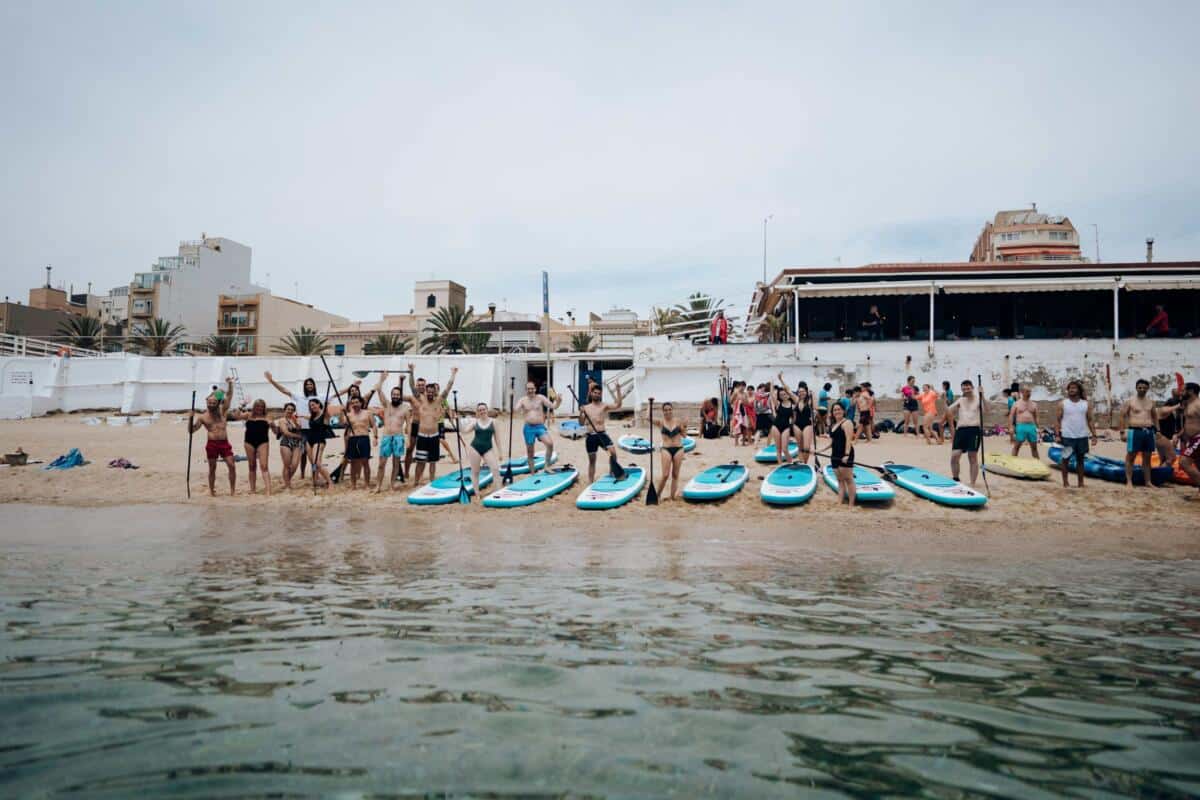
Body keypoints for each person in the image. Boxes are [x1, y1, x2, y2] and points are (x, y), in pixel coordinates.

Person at [405, 365, 458, 486]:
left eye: (431, 392)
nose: (429, 393)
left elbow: (448, 388)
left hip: (434, 436)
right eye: (428, 391)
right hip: (422, 436)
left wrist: (453, 374)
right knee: (420, 461)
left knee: (433, 462)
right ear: (426, 392)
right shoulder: (421, 400)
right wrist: (411, 372)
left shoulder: (438, 401)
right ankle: (416, 482)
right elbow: (412, 387)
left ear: (434, 392)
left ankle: (432, 482)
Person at [264, 371, 319, 477]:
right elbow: (284, 390)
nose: (309, 386)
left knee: (313, 456)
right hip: (302, 430)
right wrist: (272, 381)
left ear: (314, 385)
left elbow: (335, 395)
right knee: (302, 456)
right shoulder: (299, 397)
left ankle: (315, 475)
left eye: (310, 384)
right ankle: (302, 474)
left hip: (314, 429)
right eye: (307, 384)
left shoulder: (319, 396)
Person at [190, 377, 236, 496]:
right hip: (212, 444)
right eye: (209, 402)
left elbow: (229, 395)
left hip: (224, 443)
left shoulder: (223, 411)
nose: (211, 404)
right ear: (206, 402)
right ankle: (211, 491)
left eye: (213, 403)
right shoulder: (203, 417)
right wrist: (190, 419)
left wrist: (230, 384)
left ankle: (232, 491)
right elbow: (191, 431)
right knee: (212, 468)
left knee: (231, 465)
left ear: (217, 403)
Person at [1056, 379, 1098, 489]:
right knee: (1065, 459)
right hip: (1067, 436)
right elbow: (1057, 420)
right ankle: (1065, 483)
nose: (1071, 390)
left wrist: (1094, 435)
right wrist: (1057, 435)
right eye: (1070, 388)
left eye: (1074, 388)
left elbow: (1090, 420)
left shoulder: (1085, 404)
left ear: (1079, 390)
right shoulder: (1063, 403)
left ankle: (1081, 483)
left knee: (1081, 460)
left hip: (1082, 436)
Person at [580, 380, 624, 483]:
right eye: (595, 393)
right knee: (592, 460)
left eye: (599, 393)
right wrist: (581, 413)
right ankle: (590, 482)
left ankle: (612, 472)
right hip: (591, 436)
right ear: (591, 393)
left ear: (600, 395)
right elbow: (581, 423)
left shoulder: (604, 406)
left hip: (602, 434)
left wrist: (618, 390)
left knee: (613, 453)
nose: (597, 394)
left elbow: (618, 405)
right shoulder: (586, 408)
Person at [515, 380, 562, 472]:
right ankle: (532, 472)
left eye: (532, 388)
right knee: (530, 451)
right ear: (526, 390)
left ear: (535, 389)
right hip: (528, 428)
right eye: (528, 389)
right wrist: (514, 403)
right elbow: (516, 409)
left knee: (549, 443)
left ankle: (546, 466)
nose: (530, 390)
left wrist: (559, 401)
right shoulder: (522, 400)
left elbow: (553, 406)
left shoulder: (540, 398)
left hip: (540, 427)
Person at [460, 402, 503, 498]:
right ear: (478, 412)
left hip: (488, 448)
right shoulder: (475, 422)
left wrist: (500, 452)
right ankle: (477, 493)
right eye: (480, 410)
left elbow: (497, 438)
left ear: (487, 410)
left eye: (484, 409)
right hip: (475, 448)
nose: (482, 411)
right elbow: (465, 431)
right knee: (475, 472)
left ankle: (498, 490)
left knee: (495, 469)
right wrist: (458, 422)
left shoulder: (494, 422)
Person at [374, 378, 410, 492]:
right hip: (387, 437)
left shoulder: (405, 408)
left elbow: (408, 425)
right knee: (381, 464)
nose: (395, 396)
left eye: (397, 394)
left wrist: (408, 439)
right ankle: (378, 486)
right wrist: (382, 378)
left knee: (396, 463)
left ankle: (392, 485)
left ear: (400, 396)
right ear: (391, 395)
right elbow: (378, 389)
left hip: (399, 437)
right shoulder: (386, 405)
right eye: (393, 394)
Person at [1120, 378, 1158, 489]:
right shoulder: (1130, 401)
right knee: (1131, 456)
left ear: (1148, 389)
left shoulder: (1151, 402)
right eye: (1140, 387)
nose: (1142, 389)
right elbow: (1122, 416)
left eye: (1144, 388)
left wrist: (1158, 431)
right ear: (1136, 388)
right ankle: (1129, 482)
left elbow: (1155, 417)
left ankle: (1148, 482)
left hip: (1148, 431)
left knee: (1147, 457)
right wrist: (1122, 431)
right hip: (1134, 431)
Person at [231, 398, 272, 496]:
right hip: (249, 442)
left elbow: (274, 429)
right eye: (257, 406)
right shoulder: (248, 415)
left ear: (264, 408)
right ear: (254, 407)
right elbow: (236, 416)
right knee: (252, 466)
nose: (259, 408)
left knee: (264, 466)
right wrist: (242, 405)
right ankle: (252, 489)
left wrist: (273, 425)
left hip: (263, 442)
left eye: (261, 407)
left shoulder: (267, 416)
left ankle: (268, 490)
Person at [947, 379, 982, 486]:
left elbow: (987, 409)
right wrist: (944, 401)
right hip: (961, 430)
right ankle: (956, 479)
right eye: (964, 387)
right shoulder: (960, 400)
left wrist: (983, 395)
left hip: (974, 430)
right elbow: (948, 411)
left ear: (972, 388)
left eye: (968, 387)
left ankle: (972, 483)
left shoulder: (978, 399)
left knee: (972, 456)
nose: (966, 389)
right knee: (954, 456)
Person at [341, 394, 378, 490]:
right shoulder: (349, 415)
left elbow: (374, 425)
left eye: (357, 402)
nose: (355, 404)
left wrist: (375, 437)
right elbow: (343, 424)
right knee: (353, 463)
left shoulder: (367, 413)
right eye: (353, 403)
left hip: (364, 438)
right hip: (353, 439)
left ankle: (367, 484)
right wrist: (342, 412)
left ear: (361, 403)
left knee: (365, 462)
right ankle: (353, 485)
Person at [655, 401, 687, 501]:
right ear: (663, 411)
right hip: (666, 449)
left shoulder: (678, 421)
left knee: (675, 475)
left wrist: (684, 426)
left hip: (678, 449)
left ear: (672, 410)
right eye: (665, 410)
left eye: (669, 410)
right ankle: (657, 495)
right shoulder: (660, 422)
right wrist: (649, 404)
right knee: (665, 475)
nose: (668, 412)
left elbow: (684, 435)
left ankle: (672, 497)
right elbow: (648, 417)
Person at [828, 401, 856, 506]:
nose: (837, 411)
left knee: (848, 479)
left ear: (843, 411)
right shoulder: (833, 425)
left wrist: (847, 454)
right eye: (835, 410)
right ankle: (840, 502)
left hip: (845, 454)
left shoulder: (847, 423)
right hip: (834, 454)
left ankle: (851, 504)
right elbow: (832, 443)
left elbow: (849, 440)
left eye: (839, 409)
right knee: (839, 480)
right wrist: (819, 451)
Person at [1175, 382, 1200, 496]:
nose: (1181, 392)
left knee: (1184, 462)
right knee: (1198, 465)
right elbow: (1188, 425)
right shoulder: (1188, 405)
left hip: (1198, 438)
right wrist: (1178, 436)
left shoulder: (1198, 404)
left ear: (1191, 391)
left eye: (1184, 390)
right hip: (1192, 439)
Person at [304, 398, 335, 490]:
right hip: (309, 441)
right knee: (313, 463)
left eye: (313, 404)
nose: (312, 407)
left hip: (319, 441)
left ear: (318, 404)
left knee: (317, 463)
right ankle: (316, 479)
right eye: (310, 406)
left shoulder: (324, 415)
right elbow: (306, 418)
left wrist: (326, 404)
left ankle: (330, 482)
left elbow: (327, 412)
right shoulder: (312, 416)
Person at [403, 368, 428, 479]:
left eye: (422, 385)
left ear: (425, 386)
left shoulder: (429, 397)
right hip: (415, 425)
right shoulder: (413, 397)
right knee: (409, 450)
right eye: (419, 385)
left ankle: (419, 474)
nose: (421, 386)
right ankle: (406, 473)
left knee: (422, 451)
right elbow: (410, 387)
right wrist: (411, 373)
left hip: (425, 427)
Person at [273, 402, 305, 490]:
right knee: (287, 465)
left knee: (294, 465)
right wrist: (298, 436)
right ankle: (287, 484)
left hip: (297, 444)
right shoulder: (282, 420)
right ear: (285, 410)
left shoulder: (296, 420)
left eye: (292, 410)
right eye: (288, 409)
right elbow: (285, 432)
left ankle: (286, 480)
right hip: (286, 442)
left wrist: (296, 422)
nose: (290, 411)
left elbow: (300, 429)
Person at [770, 373, 798, 465]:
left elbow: (794, 418)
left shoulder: (793, 406)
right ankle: (780, 465)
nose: (783, 396)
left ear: (788, 395)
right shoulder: (778, 404)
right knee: (778, 449)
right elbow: (771, 394)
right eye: (781, 395)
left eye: (785, 394)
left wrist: (781, 379)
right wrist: (772, 383)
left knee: (785, 449)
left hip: (786, 427)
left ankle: (790, 464)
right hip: (776, 426)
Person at [1009, 385, 1040, 459]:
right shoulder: (1016, 403)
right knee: (1017, 446)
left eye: (1030, 391)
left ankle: (1037, 464)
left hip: (1031, 426)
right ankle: (1013, 463)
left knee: (1034, 447)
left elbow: (1037, 417)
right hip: (1020, 426)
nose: (1029, 393)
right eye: (1027, 391)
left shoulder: (1034, 404)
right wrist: (1011, 427)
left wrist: (1038, 428)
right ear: (1022, 392)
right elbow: (1011, 415)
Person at [1156, 388, 1183, 466]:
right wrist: (1178, 405)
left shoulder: (1174, 414)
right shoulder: (1163, 410)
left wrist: (1176, 435)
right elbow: (1164, 410)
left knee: (1164, 459)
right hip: (1161, 437)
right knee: (1171, 458)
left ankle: (1160, 474)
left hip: (1163, 437)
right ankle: (1160, 474)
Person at [793, 382, 816, 463]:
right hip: (797, 425)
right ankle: (801, 462)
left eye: (803, 391)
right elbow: (788, 390)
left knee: (806, 447)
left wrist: (813, 395)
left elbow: (815, 408)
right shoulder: (796, 399)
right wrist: (781, 379)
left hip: (807, 424)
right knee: (800, 447)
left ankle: (805, 463)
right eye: (799, 391)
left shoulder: (809, 401)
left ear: (806, 392)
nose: (801, 393)